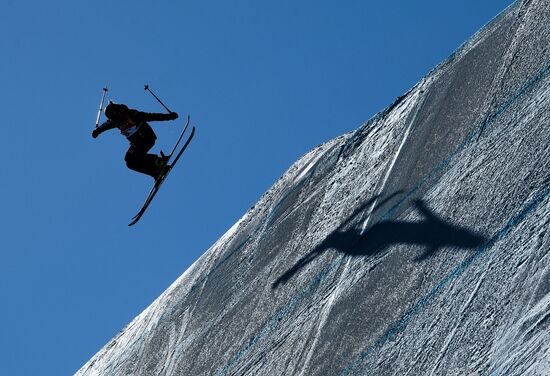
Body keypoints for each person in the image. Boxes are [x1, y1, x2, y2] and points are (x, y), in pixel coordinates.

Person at [92, 101, 179, 180]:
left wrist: (169, 116)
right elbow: (105, 126)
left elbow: (151, 116)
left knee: (135, 155)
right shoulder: (114, 121)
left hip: (147, 138)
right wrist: (97, 131)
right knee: (129, 161)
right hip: (137, 143)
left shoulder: (132, 114)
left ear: (117, 112)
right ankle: (155, 172)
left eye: (115, 117)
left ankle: (158, 161)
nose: (117, 121)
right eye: (113, 119)